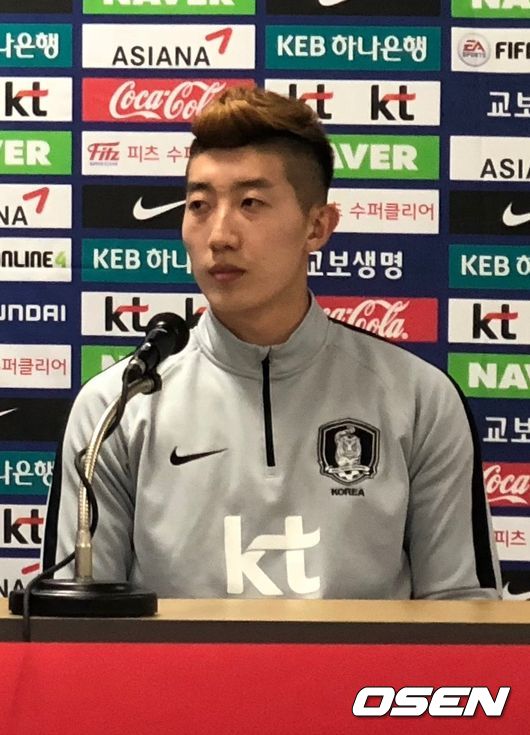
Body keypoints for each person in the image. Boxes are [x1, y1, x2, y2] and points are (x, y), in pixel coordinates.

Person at [43, 86, 501, 599]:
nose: (220, 235)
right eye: (199, 205)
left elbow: (463, 613)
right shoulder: (115, 408)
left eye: (251, 203)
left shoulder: (419, 398)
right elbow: (77, 627)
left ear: (317, 226)